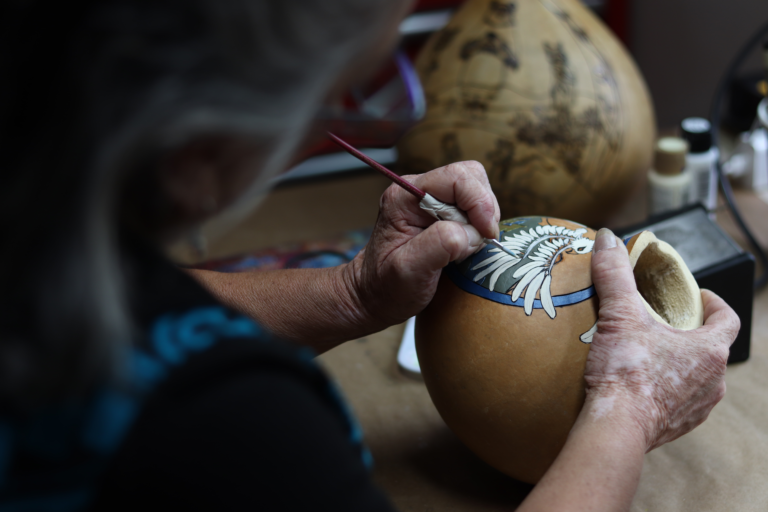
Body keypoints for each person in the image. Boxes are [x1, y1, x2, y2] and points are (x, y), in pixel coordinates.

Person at [0, 0, 739, 510]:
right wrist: (629, 408)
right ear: (197, 152)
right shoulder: (227, 426)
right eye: (352, 82)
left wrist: (354, 295)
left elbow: (139, 308)